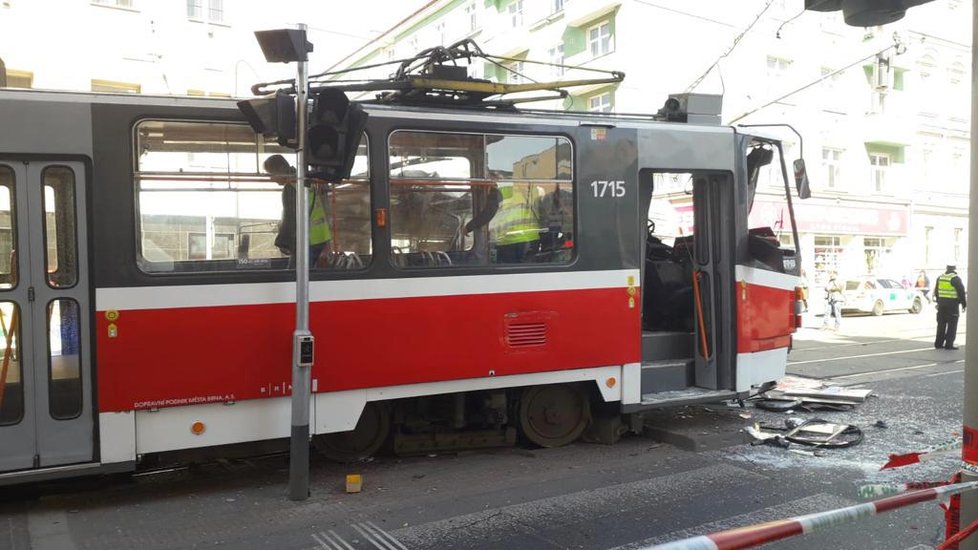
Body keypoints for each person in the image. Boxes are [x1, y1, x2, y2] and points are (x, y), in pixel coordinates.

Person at [264, 154, 332, 267]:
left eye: (271, 174)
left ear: (280, 170)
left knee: (293, 278)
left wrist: (283, 243)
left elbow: (290, 217)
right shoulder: (304, 181)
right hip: (321, 238)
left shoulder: (290, 187)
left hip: (306, 241)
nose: (270, 178)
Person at [492, 182, 541, 263]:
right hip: (532, 237)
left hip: (509, 239)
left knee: (510, 271)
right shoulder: (522, 191)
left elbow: (489, 215)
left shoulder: (497, 192)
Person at [934, 264, 966, 350]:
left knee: (941, 324)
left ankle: (938, 343)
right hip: (952, 305)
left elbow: (936, 291)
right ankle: (949, 344)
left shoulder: (940, 277)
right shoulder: (955, 278)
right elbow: (961, 292)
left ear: (947, 268)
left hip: (941, 305)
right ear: (954, 269)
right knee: (952, 325)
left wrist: (938, 301)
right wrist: (964, 304)